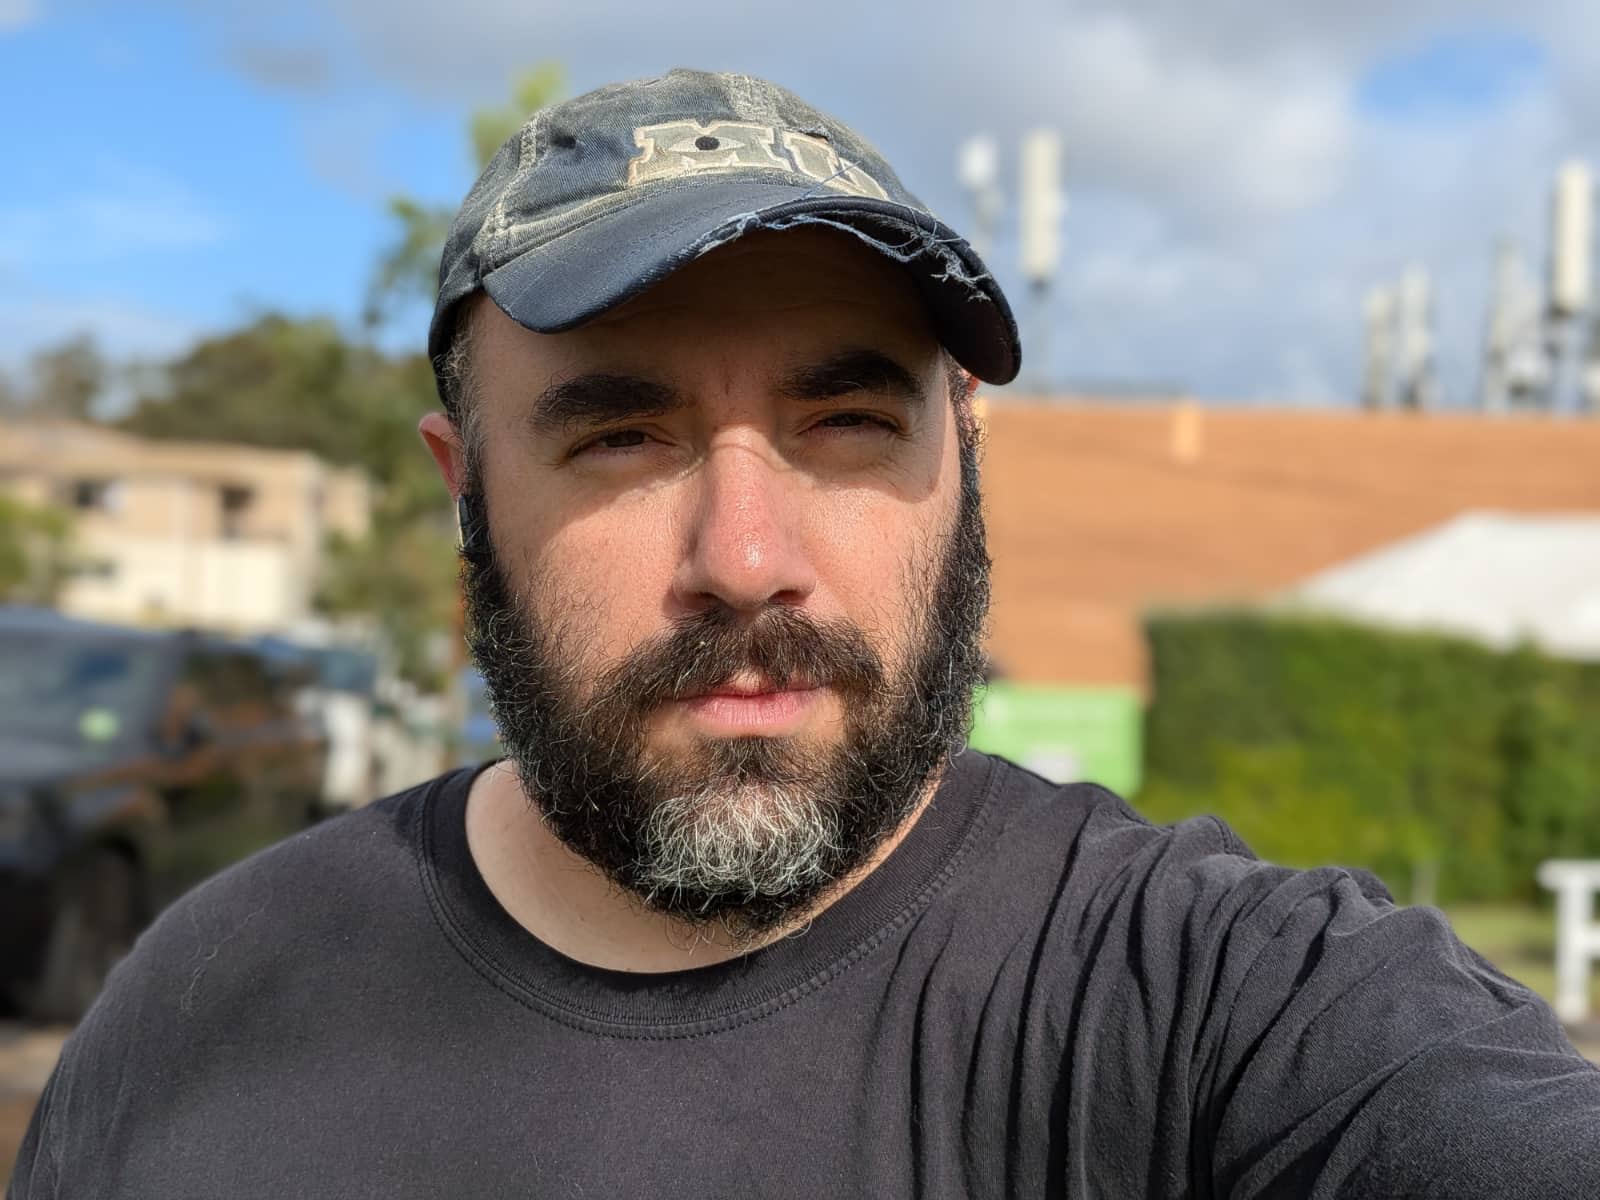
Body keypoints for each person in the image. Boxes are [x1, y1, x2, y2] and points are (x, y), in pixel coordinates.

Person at [10, 68, 1600, 1199]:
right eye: (620, 438)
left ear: (963, 455)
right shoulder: (203, 1007)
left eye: (846, 423)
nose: (747, 561)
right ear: (465, 486)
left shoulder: (1215, 1005)